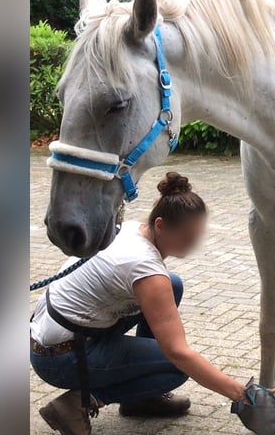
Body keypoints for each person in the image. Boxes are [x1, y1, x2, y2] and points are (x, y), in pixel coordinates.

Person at [30, 172, 251, 435]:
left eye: (197, 236)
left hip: (54, 335)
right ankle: (77, 403)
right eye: (187, 237)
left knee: (173, 283)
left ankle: (140, 399)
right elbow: (178, 352)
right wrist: (239, 393)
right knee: (176, 367)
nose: (193, 245)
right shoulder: (146, 269)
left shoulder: (133, 229)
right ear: (160, 225)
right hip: (60, 358)